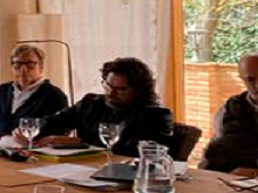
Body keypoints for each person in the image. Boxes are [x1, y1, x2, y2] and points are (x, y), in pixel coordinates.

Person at [26, 57, 173, 157]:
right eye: (108, 86)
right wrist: (30, 131)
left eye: (121, 89)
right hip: (81, 169)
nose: (111, 93)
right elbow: (55, 121)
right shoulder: (91, 102)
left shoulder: (156, 115)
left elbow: (129, 151)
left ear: (139, 90)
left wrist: (75, 142)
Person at [0, 44, 66, 138]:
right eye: (17, 65)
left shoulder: (54, 96)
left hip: (31, 149)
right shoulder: (1, 91)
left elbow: (57, 133)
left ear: (41, 67)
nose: (23, 69)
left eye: (30, 65)